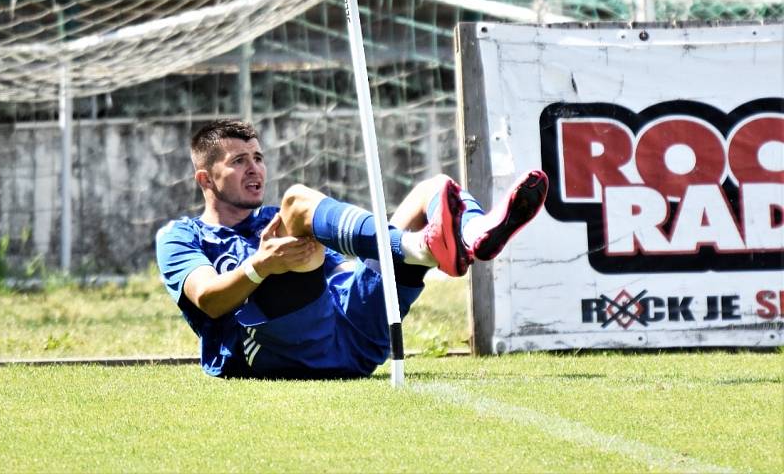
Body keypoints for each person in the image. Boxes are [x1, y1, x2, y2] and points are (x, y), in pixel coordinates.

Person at [156, 119, 548, 379]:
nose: (255, 169)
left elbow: (339, 274)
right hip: (280, 351)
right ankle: (421, 248)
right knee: (297, 205)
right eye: (239, 161)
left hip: (356, 339)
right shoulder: (182, 235)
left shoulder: (275, 218)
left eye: (258, 158)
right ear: (205, 178)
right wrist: (261, 265)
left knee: (434, 187)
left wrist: (371, 269)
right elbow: (208, 300)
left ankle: (475, 231)